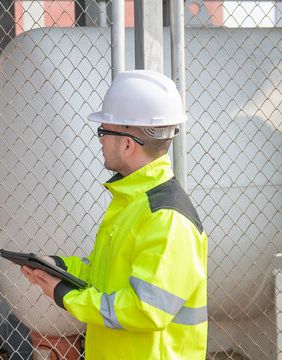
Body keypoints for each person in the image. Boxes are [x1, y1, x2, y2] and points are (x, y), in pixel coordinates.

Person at [21, 70, 208, 359]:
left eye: (103, 132)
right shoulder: (134, 203)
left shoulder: (166, 218)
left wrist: (67, 295)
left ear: (128, 144)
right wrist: (57, 267)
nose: (100, 141)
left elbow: (146, 310)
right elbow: (105, 276)